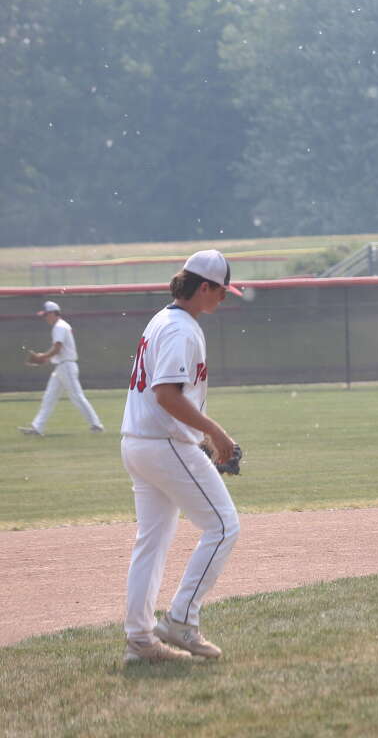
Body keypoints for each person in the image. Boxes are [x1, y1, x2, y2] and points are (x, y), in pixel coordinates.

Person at [120, 250, 243, 663]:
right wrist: (214, 431)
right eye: (222, 293)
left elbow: (168, 397)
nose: (222, 301)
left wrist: (203, 437)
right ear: (204, 287)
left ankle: (140, 640)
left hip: (139, 442)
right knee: (223, 526)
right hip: (162, 443)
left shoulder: (163, 319)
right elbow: (167, 394)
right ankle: (181, 621)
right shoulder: (181, 329)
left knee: (151, 543)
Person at [18, 301, 105, 436]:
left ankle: (96, 425)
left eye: (46, 314)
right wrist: (46, 358)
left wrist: (43, 356)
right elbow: (59, 351)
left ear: (53, 313)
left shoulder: (59, 326)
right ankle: (37, 427)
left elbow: (57, 347)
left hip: (67, 367)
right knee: (49, 397)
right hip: (61, 367)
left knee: (77, 396)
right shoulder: (61, 326)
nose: (45, 317)